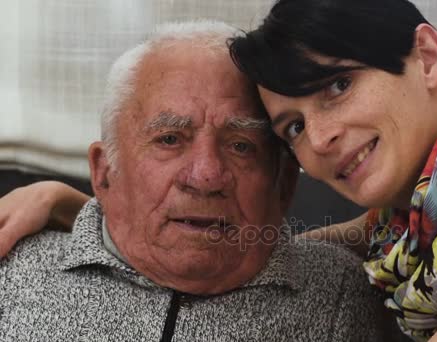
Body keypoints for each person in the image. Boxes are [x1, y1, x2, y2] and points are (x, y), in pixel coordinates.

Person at [1, 1, 437, 341]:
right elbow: (237, 241)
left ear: (426, 56)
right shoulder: (411, 232)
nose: (319, 138)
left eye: (338, 86)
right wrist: (79, 208)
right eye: (291, 126)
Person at [0, 20, 398, 342]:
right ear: (104, 172)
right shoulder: (12, 271)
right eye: (170, 140)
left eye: (241, 146)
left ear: (284, 185)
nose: (206, 177)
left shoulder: (345, 296)